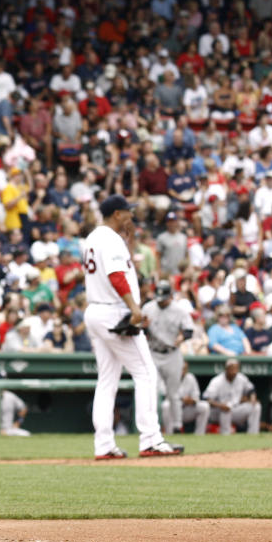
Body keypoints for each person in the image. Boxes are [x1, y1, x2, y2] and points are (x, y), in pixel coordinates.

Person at [83, 194, 183, 460]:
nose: (131, 215)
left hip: (95, 311)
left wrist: (127, 242)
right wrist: (135, 308)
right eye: (127, 212)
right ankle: (151, 439)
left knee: (107, 380)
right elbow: (116, 276)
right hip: (114, 310)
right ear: (117, 214)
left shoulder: (94, 237)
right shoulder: (110, 239)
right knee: (146, 373)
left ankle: (103, 445)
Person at [141, 280, 194, 433]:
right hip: (153, 352)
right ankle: (152, 426)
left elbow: (189, 330)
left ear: (171, 296)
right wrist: (143, 327)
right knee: (153, 390)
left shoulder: (180, 310)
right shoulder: (148, 308)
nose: (161, 302)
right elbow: (140, 330)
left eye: (164, 298)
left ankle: (177, 425)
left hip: (172, 353)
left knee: (173, 393)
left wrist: (181, 337)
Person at [202, 358, 262, 435]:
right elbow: (206, 399)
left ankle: (253, 434)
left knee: (256, 406)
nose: (234, 371)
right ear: (226, 369)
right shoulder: (217, 381)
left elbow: (251, 390)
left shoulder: (241, 378)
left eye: (236, 368)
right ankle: (225, 435)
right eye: (232, 368)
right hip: (219, 411)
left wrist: (252, 399)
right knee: (226, 409)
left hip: (236, 410)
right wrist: (220, 405)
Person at [160, 362, 210, 436]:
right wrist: (181, 399)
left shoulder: (191, 378)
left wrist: (192, 400)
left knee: (204, 406)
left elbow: (196, 396)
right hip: (173, 411)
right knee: (165, 405)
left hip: (187, 410)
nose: (182, 371)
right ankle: (169, 433)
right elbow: (165, 393)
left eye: (184, 369)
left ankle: (199, 434)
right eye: (181, 369)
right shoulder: (170, 377)